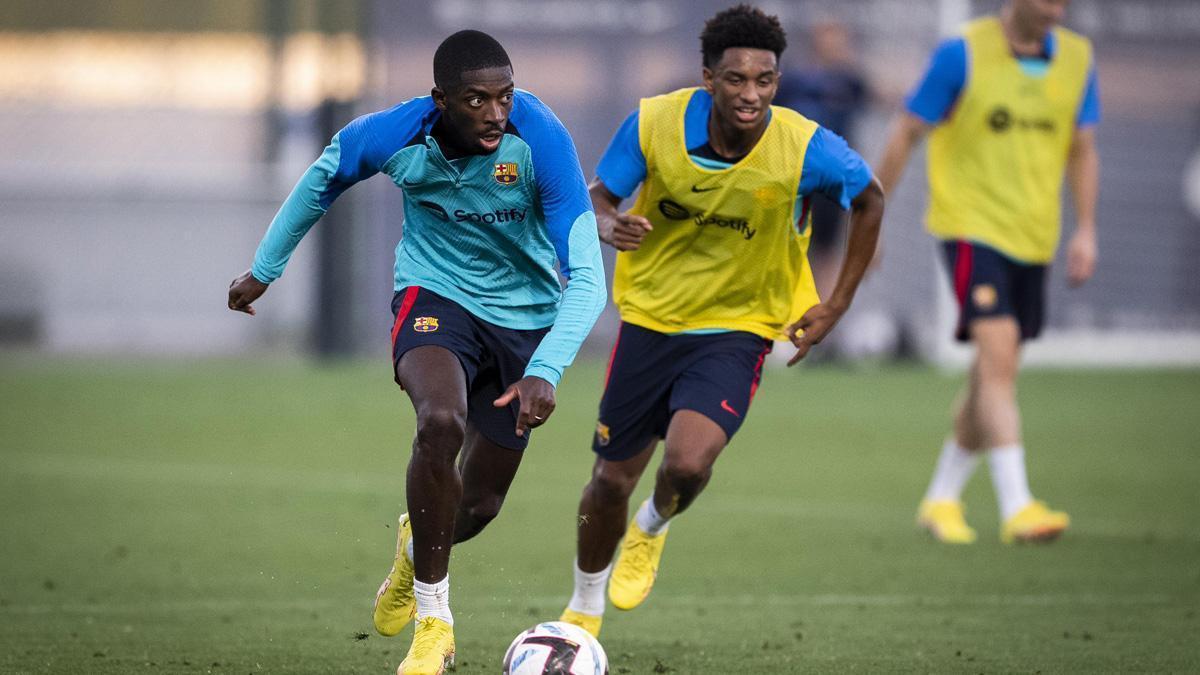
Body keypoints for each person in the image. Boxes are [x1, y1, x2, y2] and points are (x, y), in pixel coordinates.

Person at [227, 30, 606, 675]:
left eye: (504, 97)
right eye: (476, 100)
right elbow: (320, 182)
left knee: (479, 505)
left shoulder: (540, 139)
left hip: (526, 322)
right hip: (436, 297)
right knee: (439, 420)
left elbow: (590, 279)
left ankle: (412, 550)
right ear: (441, 100)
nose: (494, 113)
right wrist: (265, 269)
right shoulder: (392, 134)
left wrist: (545, 368)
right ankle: (434, 626)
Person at [557, 5, 885, 637]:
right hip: (651, 320)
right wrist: (606, 223)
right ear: (708, 77)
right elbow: (598, 196)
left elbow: (870, 198)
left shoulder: (806, 146)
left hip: (739, 328)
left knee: (686, 465)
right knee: (610, 479)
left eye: (765, 81)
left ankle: (653, 525)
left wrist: (837, 302)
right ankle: (584, 608)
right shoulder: (653, 125)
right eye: (736, 80)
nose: (751, 94)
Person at [874, 0, 1100, 544]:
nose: (1056, 8)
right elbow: (906, 131)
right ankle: (1018, 505)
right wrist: (872, 219)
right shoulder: (961, 55)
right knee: (998, 357)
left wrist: (1086, 228)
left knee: (990, 375)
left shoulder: (1077, 58)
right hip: (970, 228)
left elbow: (1082, 148)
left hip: (1035, 236)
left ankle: (942, 498)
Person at [775, 19, 870, 302]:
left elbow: (880, 97)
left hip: (833, 180)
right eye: (829, 36)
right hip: (794, 177)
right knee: (789, 245)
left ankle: (819, 317)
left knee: (826, 249)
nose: (835, 44)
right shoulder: (792, 81)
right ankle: (782, 317)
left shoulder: (850, 81)